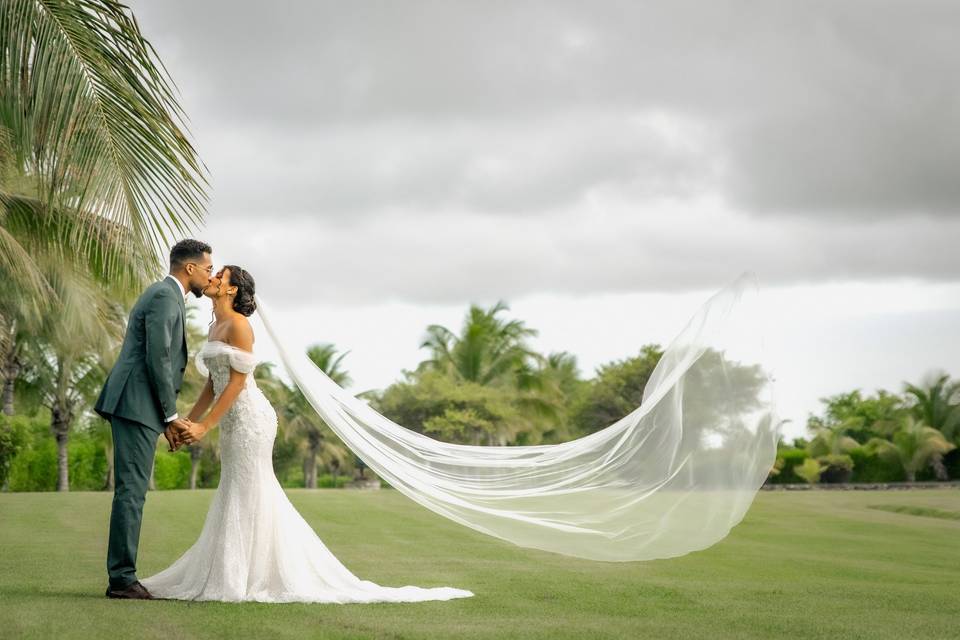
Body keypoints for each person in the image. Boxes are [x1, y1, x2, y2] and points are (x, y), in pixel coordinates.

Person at [140, 265, 473, 603]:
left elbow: (238, 383)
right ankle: (234, 570)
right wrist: (186, 424)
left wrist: (205, 427)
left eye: (219, 277)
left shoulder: (240, 326)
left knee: (249, 489)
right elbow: (214, 383)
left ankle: (250, 575)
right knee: (234, 489)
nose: (211, 279)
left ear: (232, 290)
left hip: (251, 420)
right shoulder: (214, 328)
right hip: (230, 421)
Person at [95, 239, 213, 599]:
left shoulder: (167, 296)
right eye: (208, 268)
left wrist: (165, 421)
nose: (210, 276)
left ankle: (123, 576)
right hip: (134, 403)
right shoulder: (164, 297)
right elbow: (158, 357)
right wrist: (172, 415)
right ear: (189, 268)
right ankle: (122, 580)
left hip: (140, 406)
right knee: (131, 493)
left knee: (133, 491)